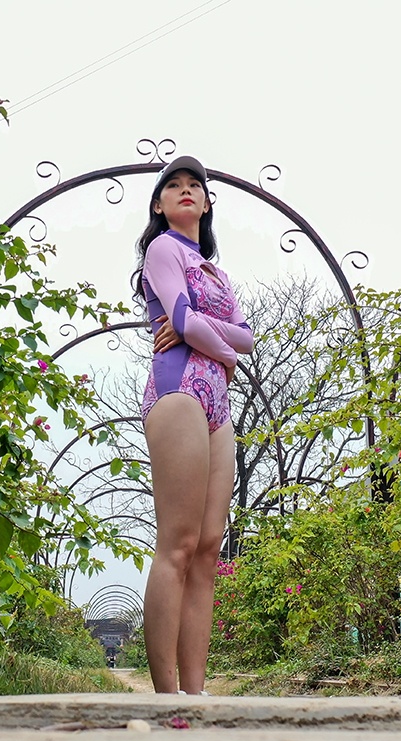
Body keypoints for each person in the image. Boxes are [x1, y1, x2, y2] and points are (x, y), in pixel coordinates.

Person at [132, 155, 253, 694]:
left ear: (206, 203)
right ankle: (165, 699)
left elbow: (247, 337)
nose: (186, 190)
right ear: (160, 204)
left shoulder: (216, 273)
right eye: (174, 185)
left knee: (208, 548)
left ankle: (196, 694)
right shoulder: (163, 249)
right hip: (178, 389)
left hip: (217, 403)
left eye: (195, 185)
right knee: (178, 543)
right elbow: (180, 320)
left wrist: (211, 338)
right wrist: (222, 348)